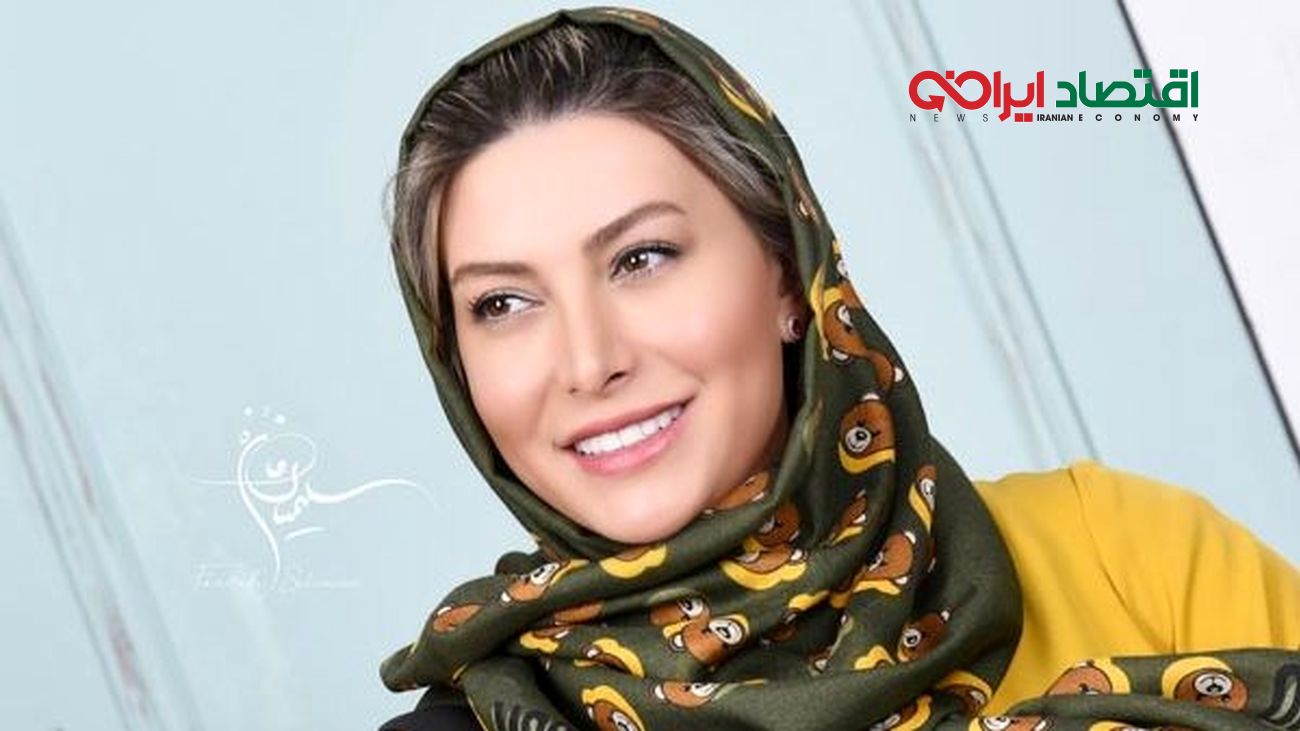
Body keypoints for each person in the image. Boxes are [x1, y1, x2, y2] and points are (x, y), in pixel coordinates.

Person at [377, 7, 1300, 730]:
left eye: (643, 258)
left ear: (790, 270)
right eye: (503, 303)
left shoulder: (1125, 553)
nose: (588, 362)